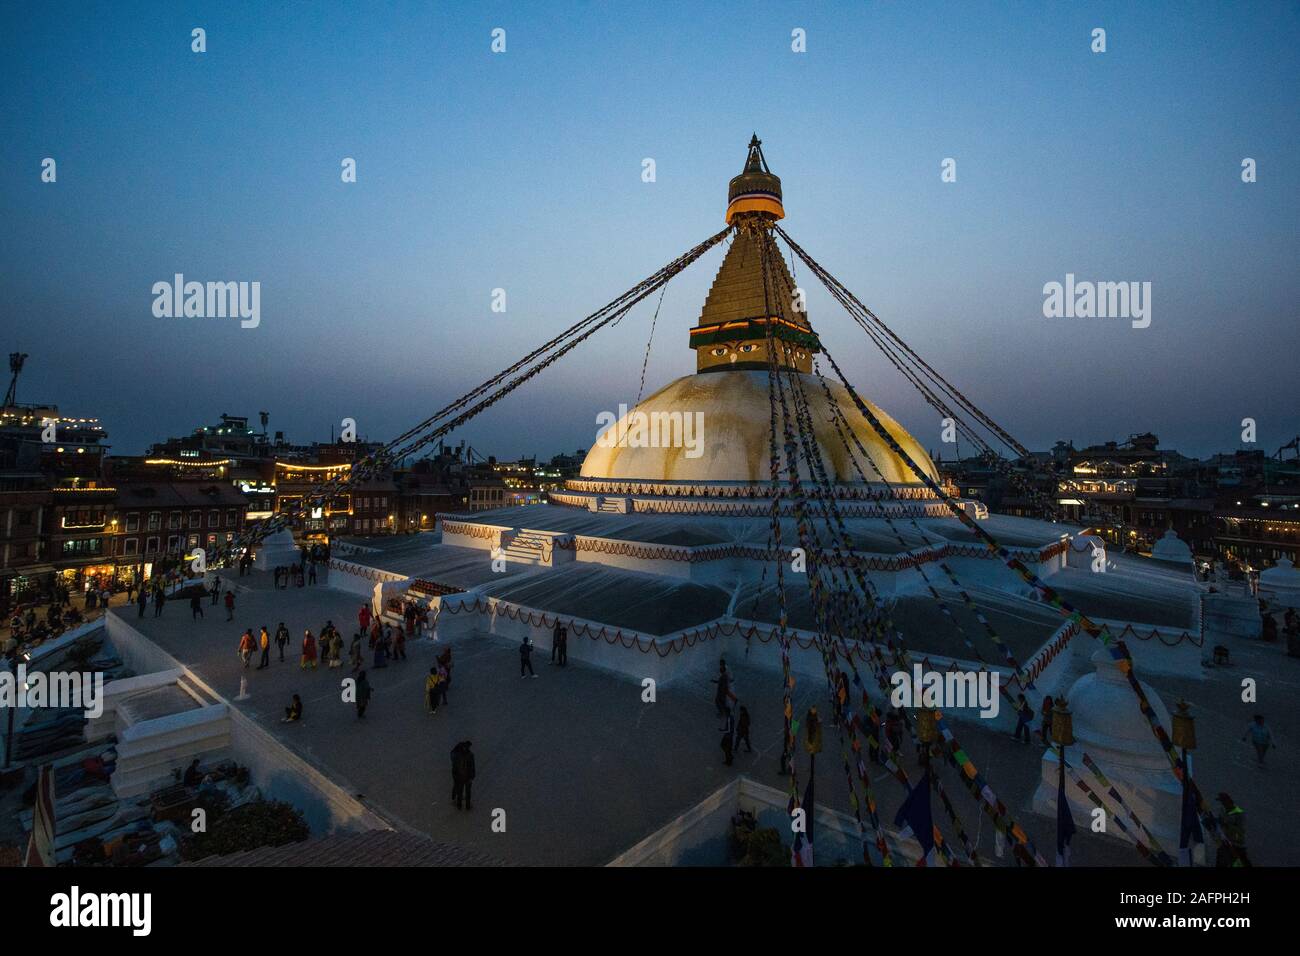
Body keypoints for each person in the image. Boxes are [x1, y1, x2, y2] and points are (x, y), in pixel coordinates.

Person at [1215, 793, 1250, 867]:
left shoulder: (1239, 814)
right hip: (1225, 842)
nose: (1222, 804)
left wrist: (1227, 825)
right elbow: (1220, 822)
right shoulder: (1222, 810)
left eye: (1223, 801)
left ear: (1228, 801)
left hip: (1236, 845)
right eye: (1221, 802)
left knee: (1240, 862)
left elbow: (1241, 830)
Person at [451, 740, 475, 811]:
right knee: (468, 792)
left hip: (459, 777)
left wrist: (455, 775)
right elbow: (472, 767)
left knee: (460, 791)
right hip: (467, 777)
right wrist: (472, 777)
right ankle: (467, 806)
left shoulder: (458, 755)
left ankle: (459, 805)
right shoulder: (470, 755)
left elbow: (455, 766)